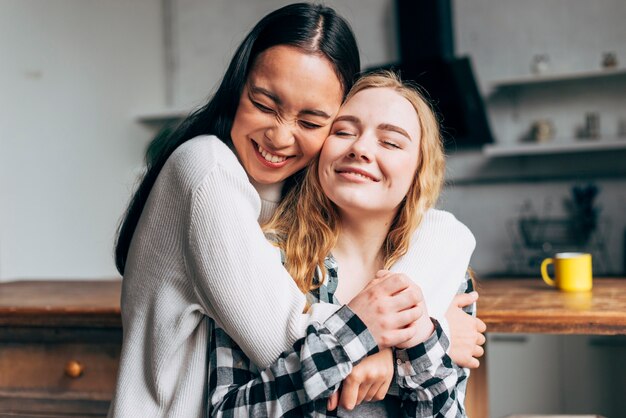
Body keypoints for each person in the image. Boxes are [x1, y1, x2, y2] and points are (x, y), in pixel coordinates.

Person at [108, 3, 484, 417]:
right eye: (265, 105)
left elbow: (444, 229)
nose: (280, 136)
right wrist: (432, 336)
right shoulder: (207, 170)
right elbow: (287, 343)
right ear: (238, 87)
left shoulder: (280, 200)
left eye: (311, 121)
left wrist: (415, 319)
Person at [207, 71, 475, 417]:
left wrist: (416, 343)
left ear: (419, 171)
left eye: (391, 142)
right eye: (343, 131)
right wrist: (360, 334)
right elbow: (228, 412)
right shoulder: (262, 257)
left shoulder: (445, 276)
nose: (360, 148)